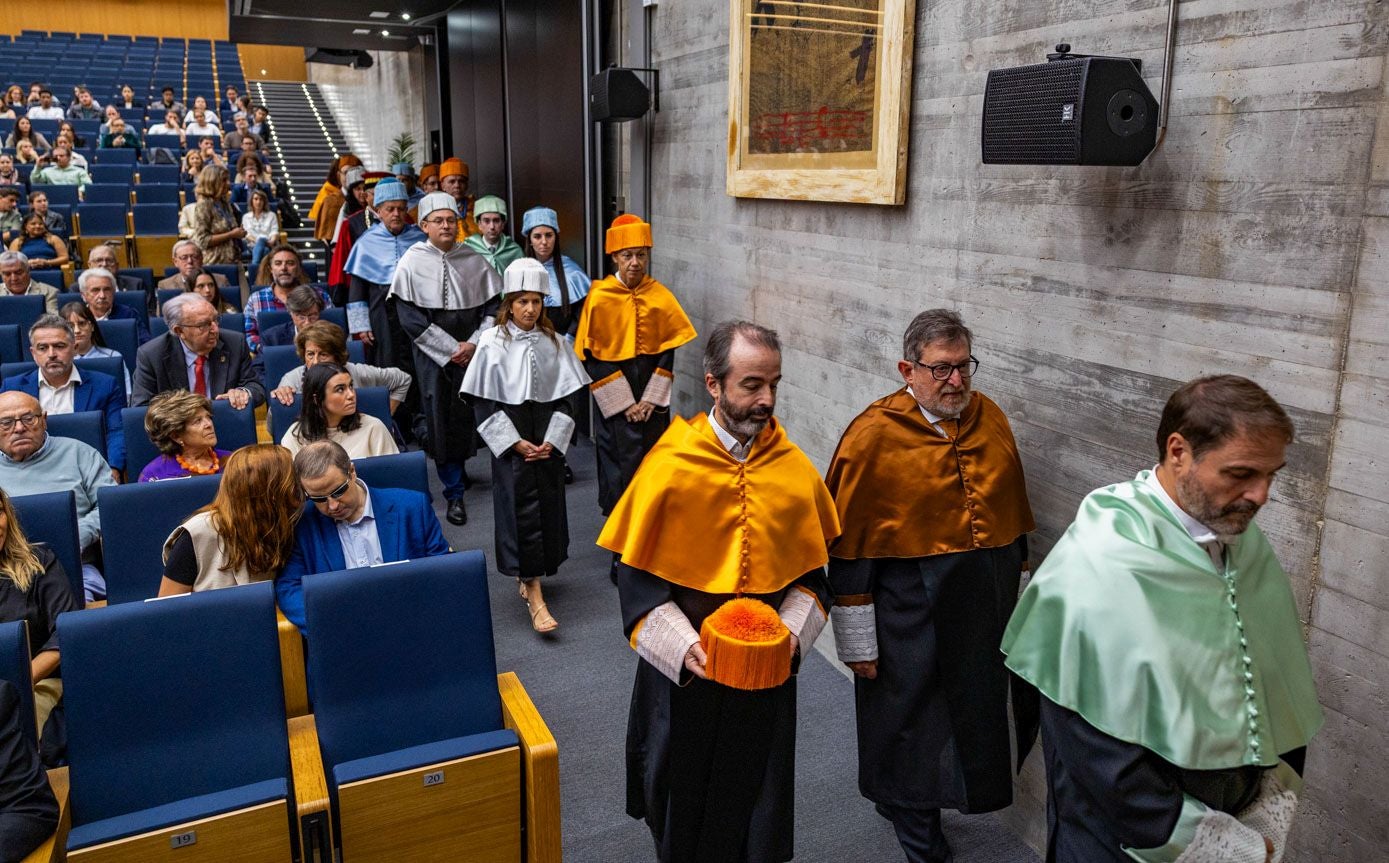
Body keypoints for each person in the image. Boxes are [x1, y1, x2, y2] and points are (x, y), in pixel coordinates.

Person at [1001, 375, 1324, 863]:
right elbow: (1098, 757)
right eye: (1240, 474)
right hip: (1125, 841)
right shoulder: (1100, 559)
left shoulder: (1246, 544)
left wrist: (1267, 808)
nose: (1261, 495)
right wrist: (1223, 847)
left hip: (1238, 816)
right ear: (1179, 451)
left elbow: (1272, 691)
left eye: (1271, 475)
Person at [605, 320, 840, 863]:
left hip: (766, 676)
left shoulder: (793, 469)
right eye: (751, 385)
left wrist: (788, 641)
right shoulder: (668, 466)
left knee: (758, 802)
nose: (766, 399)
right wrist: (687, 650)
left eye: (774, 385)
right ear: (714, 384)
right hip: (686, 677)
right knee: (681, 803)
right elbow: (637, 586)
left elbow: (813, 580)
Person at [824, 309, 1036, 863]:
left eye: (964, 366)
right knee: (908, 718)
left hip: (980, 604)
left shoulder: (990, 417)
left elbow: (1014, 515)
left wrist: (1021, 594)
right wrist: (857, 642)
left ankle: (918, 804)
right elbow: (847, 550)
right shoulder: (871, 434)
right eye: (941, 370)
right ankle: (916, 828)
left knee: (967, 716)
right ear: (908, 369)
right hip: (908, 607)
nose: (957, 382)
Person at [461, 259, 590, 633]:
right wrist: (513, 443)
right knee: (518, 510)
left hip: (547, 438)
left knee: (547, 508)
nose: (530, 309)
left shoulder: (554, 342)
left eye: (536, 301)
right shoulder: (491, 342)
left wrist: (554, 439)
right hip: (512, 439)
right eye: (522, 302)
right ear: (510, 304)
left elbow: (569, 397)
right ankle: (535, 597)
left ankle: (531, 576)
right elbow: (483, 402)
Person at [389, 192, 502, 525]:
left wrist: (473, 344)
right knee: (440, 418)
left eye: (451, 220)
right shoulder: (411, 261)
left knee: (468, 415)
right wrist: (451, 350)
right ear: (424, 225)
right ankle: (453, 493)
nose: (446, 226)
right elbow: (410, 319)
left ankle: (460, 470)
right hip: (433, 358)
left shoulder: (473, 257)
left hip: (472, 353)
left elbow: (494, 307)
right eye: (438, 220)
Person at [575, 214, 696, 519]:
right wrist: (625, 403)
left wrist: (650, 401)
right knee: (618, 466)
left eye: (641, 255)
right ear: (614, 256)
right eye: (627, 255)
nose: (634, 263)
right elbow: (593, 358)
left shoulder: (660, 296)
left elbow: (667, 354)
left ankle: (649, 533)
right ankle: (620, 546)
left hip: (652, 405)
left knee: (652, 461)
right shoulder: (599, 298)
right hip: (616, 404)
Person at [275, 440, 451, 631]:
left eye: (338, 491)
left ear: (352, 472)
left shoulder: (412, 507)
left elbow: (441, 568)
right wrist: (335, 622)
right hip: (342, 633)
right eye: (319, 498)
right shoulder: (302, 525)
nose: (332, 505)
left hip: (412, 623)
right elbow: (289, 589)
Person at [0, 391, 116, 601]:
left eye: (28, 418)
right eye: (6, 422)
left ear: (43, 420)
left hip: (76, 568)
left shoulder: (80, 454)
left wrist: (79, 533)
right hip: (4, 572)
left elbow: (111, 507)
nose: (18, 428)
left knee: (75, 624)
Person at [158, 445, 301, 595]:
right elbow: (168, 607)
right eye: (291, 482)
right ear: (270, 493)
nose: (297, 489)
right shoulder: (197, 534)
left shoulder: (288, 523)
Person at [1, 315, 126, 478]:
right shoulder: (12, 388)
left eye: (59, 346)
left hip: (86, 469)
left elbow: (116, 432)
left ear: (74, 347)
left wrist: (113, 469)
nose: (51, 354)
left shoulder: (105, 385)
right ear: (33, 353)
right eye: (43, 348)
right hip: (27, 469)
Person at [132, 293, 264, 409]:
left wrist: (243, 392)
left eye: (215, 320)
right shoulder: (152, 355)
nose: (215, 330)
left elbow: (255, 387)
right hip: (177, 431)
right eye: (204, 325)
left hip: (224, 424)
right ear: (179, 331)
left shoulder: (235, 343)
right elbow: (142, 407)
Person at [344, 178, 425, 365]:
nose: (396, 214)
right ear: (379, 211)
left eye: (401, 208)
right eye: (390, 209)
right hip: (380, 312)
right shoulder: (365, 243)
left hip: (416, 309)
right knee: (386, 362)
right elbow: (357, 290)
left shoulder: (420, 238)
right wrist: (361, 327)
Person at [269, 321, 412, 413]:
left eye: (323, 354)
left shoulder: (356, 372)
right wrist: (279, 400)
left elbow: (403, 379)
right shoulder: (292, 379)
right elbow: (273, 425)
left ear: (337, 356)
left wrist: (385, 416)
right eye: (310, 354)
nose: (316, 362)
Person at [280, 362, 398, 458]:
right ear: (317, 399)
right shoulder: (295, 436)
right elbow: (290, 485)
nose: (351, 395)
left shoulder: (373, 427)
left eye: (351, 386)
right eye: (340, 389)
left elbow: (391, 475)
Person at [244, 244, 332, 353]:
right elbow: (249, 334)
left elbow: (331, 327)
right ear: (270, 269)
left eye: (290, 263)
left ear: (299, 269)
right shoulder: (256, 299)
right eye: (278, 263)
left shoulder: (320, 295)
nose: (284, 268)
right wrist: (266, 350)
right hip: (272, 355)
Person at [521, 206, 590, 337]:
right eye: (537, 236)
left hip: (565, 344)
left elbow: (581, 314)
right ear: (529, 240)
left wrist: (568, 341)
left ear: (556, 237)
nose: (544, 242)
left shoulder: (572, 271)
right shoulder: (519, 271)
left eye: (549, 235)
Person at [137, 389, 231, 482]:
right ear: (176, 436)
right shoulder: (154, 476)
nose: (209, 424)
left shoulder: (232, 461)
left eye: (208, 417)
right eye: (197, 421)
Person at [61, 301, 132, 393]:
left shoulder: (113, 357)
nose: (77, 330)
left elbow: (127, 395)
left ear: (92, 326)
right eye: (70, 326)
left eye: (82, 324)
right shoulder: (60, 361)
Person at [77, 266, 150, 344]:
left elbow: (145, 343)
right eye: (95, 290)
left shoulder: (128, 314)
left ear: (114, 292)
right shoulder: (77, 318)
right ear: (83, 295)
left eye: (107, 289)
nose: (102, 296)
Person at [189, 165, 244, 266]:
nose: (228, 183)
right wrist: (231, 234)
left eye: (228, 179)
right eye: (223, 180)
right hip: (215, 262)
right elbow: (203, 240)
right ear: (212, 181)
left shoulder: (224, 202)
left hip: (233, 259)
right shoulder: (204, 205)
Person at [463, 195, 524, 275]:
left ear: (503, 223)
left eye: (496, 221)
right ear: (479, 224)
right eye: (486, 221)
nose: (492, 227)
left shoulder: (514, 251)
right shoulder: (468, 249)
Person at [311, 154, 362, 244]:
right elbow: (327, 237)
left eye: (354, 172)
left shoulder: (367, 199)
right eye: (346, 172)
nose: (350, 177)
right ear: (339, 175)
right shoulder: (331, 201)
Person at [260, 284, 323, 348]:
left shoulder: (331, 335)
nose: (307, 322)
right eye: (301, 317)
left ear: (319, 312)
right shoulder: (271, 338)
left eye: (312, 316)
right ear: (291, 313)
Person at [157, 240, 230, 294]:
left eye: (194, 257)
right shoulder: (165, 286)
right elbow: (163, 314)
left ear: (201, 259)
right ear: (175, 262)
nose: (189, 261)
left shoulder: (221, 281)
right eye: (184, 257)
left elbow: (229, 311)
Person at [438, 157, 479, 238]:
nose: (457, 185)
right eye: (452, 181)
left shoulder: (476, 208)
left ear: (467, 185)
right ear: (443, 186)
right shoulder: (435, 209)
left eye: (461, 181)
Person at [241, 187, 279, 272]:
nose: (258, 202)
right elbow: (246, 234)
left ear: (264, 202)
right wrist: (260, 241)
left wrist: (272, 241)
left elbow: (274, 231)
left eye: (261, 199)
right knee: (264, 249)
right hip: (251, 245)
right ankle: (262, 271)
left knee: (264, 245)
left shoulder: (271, 215)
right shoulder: (246, 217)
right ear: (251, 201)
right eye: (256, 199)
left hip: (269, 244)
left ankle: (254, 269)